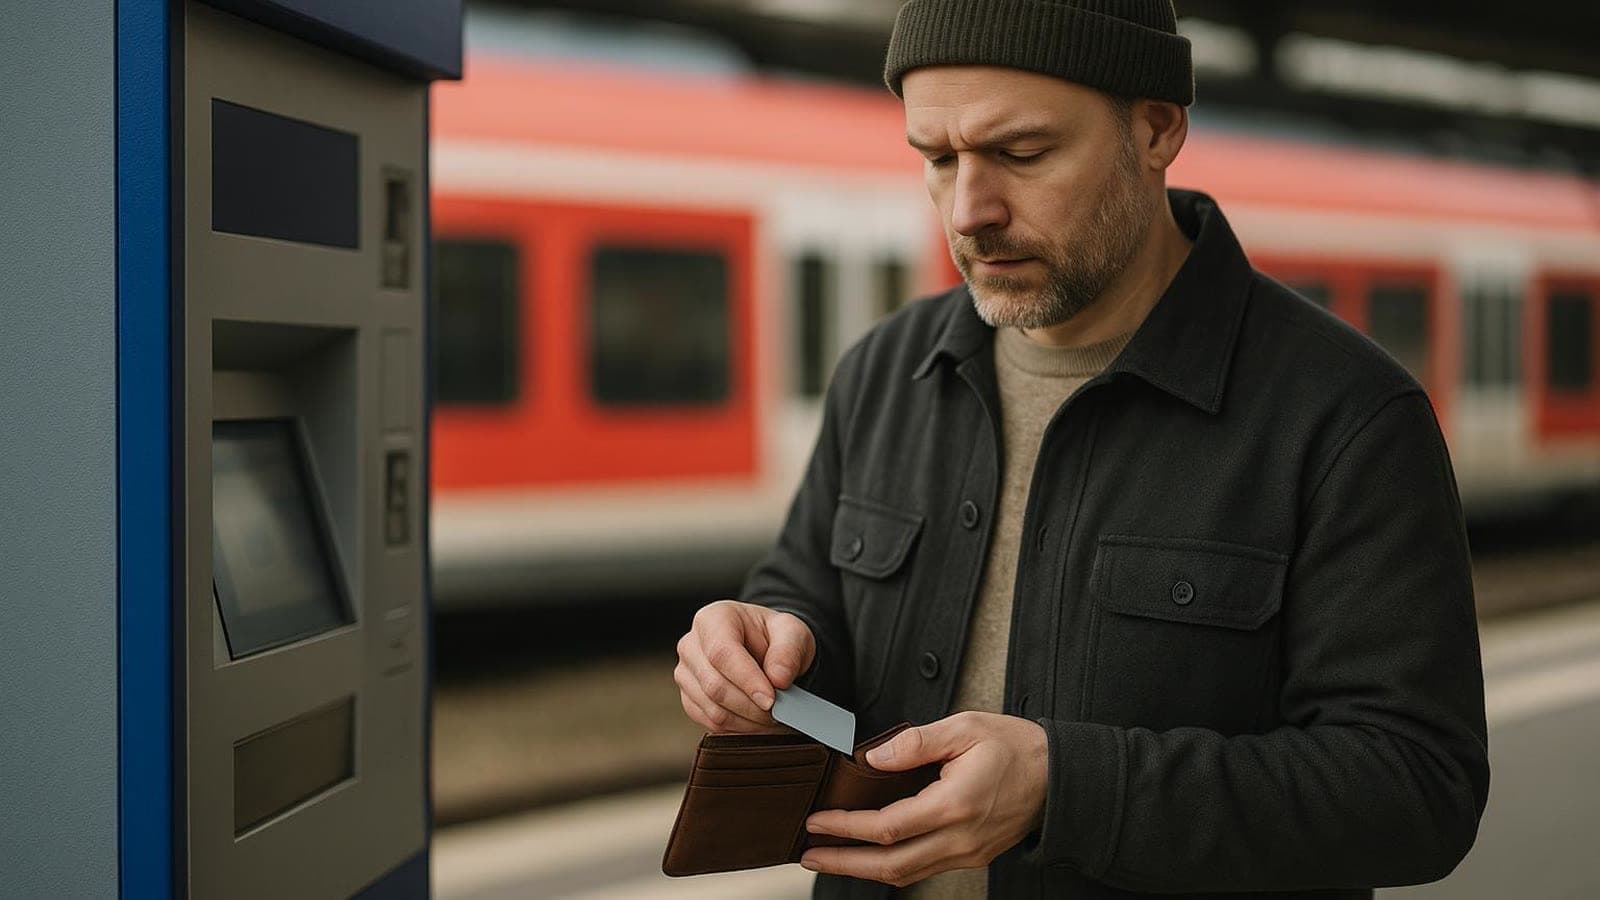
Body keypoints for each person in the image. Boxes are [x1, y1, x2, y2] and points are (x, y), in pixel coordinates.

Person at [672, 1, 1490, 897]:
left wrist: (1066, 790)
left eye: (1022, 154)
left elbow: (1418, 788)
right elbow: (805, 593)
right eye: (937, 161)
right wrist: (767, 645)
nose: (970, 210)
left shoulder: (1347, 417)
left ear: (1157, 128)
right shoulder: (884, 371)